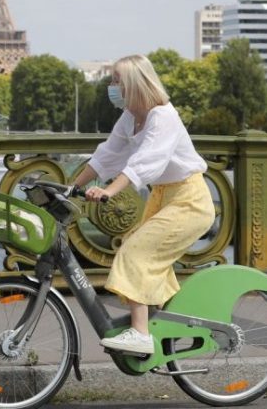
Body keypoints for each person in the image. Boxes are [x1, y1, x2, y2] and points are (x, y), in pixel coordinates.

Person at [72, 54, 214, 355]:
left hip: (189, 200)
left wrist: (109, 191)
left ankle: (140, 334)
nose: (111, 86)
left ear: (135, 84)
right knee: (148, 257)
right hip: (165, 196)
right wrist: (74, 185)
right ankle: (162, 325)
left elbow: (145, 163)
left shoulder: (162, 116)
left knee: (136, 253)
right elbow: (106, 155)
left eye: (116, 81)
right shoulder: (130, 117)